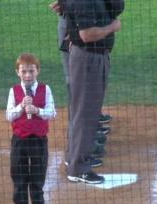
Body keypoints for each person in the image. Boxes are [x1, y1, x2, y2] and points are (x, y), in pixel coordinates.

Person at [61, 0, 122, 184]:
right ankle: (78, 168)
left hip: (93, 57)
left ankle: (75, 157)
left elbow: (117, 6)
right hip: (87, 59)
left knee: (86, 113)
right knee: (85, 115)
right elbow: (86, 34)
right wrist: (112, 27)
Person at [49, 0, 113, 165]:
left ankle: (89, 137)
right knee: (78, 94)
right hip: (76, 29)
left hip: (89, 20)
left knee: (88, 95)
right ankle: (77, 152)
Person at [6, 53, 57, 204]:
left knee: (37, 174)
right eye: (24, 71)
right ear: (17, 72)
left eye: (31, 71)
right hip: (20, 140)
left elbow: (52, 112)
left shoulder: (46, 89)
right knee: (19, 175)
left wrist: (37, 111)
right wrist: (21, 106)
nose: (28, 75)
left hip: (39, 140)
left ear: (38, 71)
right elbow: (9, 115)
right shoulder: (14, 91)